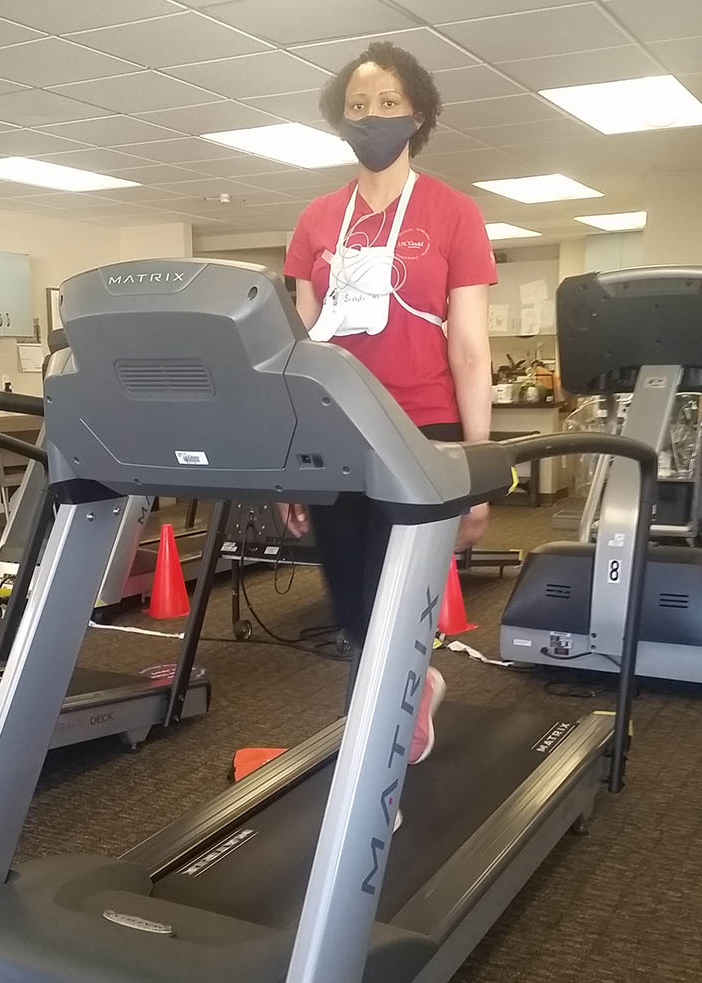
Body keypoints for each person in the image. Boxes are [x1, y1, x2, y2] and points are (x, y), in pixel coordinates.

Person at [281, 41, 497, 773]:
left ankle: (379, 746)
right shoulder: (316, 219)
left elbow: (469, 348)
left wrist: (477, 470)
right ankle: (409, 692)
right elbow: (302, 349)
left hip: (422, 428)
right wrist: (294, 462)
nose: (371, 115)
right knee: (350, 603)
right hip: (337, 427)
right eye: (357, 105)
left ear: (418, 115)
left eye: (388, 102)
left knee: (394, 595)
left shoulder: (454, 213)